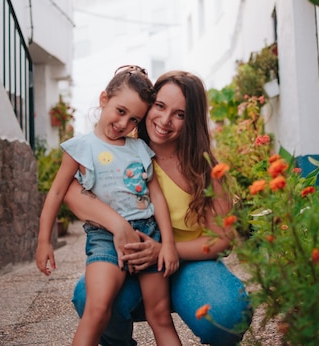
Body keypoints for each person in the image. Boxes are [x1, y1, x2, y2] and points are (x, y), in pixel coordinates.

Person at [65, 70, 252, 346]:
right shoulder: (121, 150)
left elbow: (222, 242)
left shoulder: (206, 170)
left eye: (180, 114)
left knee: (228, 313)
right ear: (148, 104)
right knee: (88, 296)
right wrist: (117, 225)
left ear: (192, 120)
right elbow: (70, 192)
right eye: (160, 106)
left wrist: (165, 250)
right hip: (133, 264)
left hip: (191, 265)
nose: (165, 121)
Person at [36, 65, 182, 346]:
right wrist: (44, 240)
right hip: (105, 239)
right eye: (120, 111)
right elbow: (56, 193)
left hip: (148, 234)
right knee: (97, 309)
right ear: (104, 99)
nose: (124, 123)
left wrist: (168, 244)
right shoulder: (80, 147)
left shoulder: (139, 149)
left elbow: (157, 198)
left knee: (160, 316)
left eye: (133, 119)